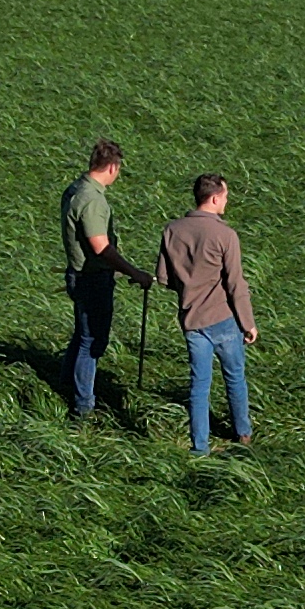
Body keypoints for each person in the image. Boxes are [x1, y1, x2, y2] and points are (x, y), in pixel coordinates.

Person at [156, 171, 255, 452]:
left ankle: (200, 446)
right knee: (234, 377)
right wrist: (248, 322)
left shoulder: (172, 231)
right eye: (225, 196)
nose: (226, 201)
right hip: (223, 319)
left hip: (191, 320)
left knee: (199, 386)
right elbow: (236, 283)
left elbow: (163, 278)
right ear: (214, 198)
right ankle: (243, 432)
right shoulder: (226, 234)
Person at [56, 139, 134, 422]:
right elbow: (101, 247)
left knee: (81, 334)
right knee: (93, 342)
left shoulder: (76, 188)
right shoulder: (93, 200)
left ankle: (66, 382)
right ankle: (83, 406)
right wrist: (132, 271)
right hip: (92, 278)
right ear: (112, 167)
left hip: (78, 273)